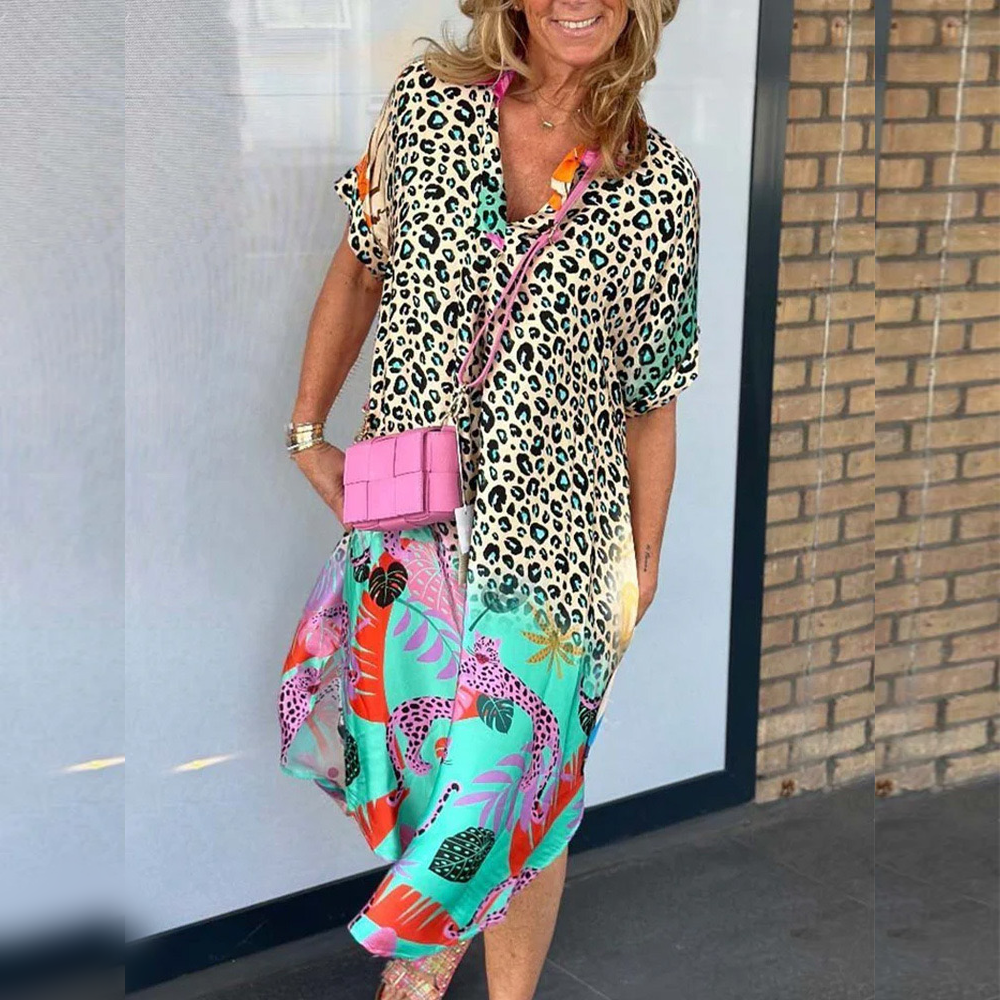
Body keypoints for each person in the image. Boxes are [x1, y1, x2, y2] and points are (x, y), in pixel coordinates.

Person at [277, 1, 700, 997]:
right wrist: (307, 431)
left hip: (561, 548)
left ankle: (448, 962)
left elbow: (652, 399)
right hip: (408, 519)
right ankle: (445, 925)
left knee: (522, 784)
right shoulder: (428, 106)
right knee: (426, 759)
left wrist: (643, 567)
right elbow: (361, 264)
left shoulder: (660, 187)